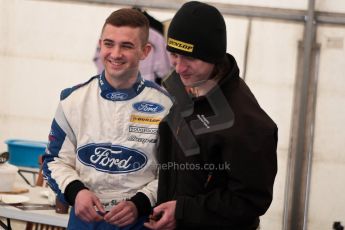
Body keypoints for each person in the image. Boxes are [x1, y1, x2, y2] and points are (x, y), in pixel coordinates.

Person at [144, 1, 278, 230]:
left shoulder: (247, 123)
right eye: (174, 55)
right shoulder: (183, 89)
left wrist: (183, 211)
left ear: (214, 57)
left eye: (190, 58)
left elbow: (250, 201)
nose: (179, 68)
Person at [42, 8, 172, 229]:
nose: (115, 53)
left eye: (127, 46)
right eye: (109, 44)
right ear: (100, 45)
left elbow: (173, 171)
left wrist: (140, 203)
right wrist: (76, 191)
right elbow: (54, 160)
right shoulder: (72, 101)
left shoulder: (166, 107)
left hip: (140, 223)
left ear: (145, 51)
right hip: (84, 221)